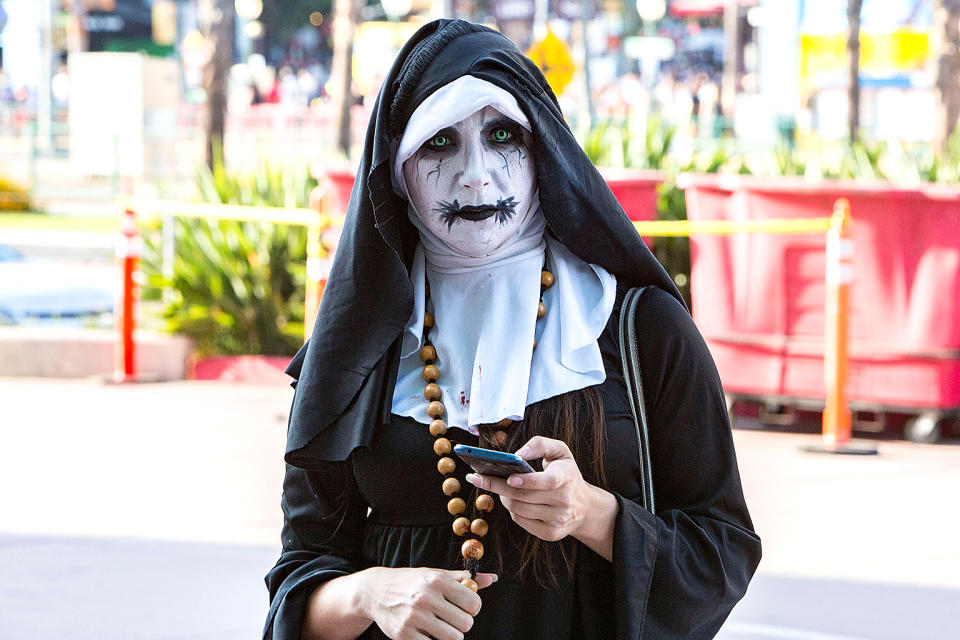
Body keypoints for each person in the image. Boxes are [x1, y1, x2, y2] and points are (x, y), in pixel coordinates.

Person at [264, 20, 760, 640]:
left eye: (502, 135)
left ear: (544, 151)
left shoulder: (641, 329)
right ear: (396, 173)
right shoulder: (354, 356)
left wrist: (591, 513)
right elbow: (298, 585)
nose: (475, 174)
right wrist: (368, 593)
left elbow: (723, 555)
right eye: (439, 143)